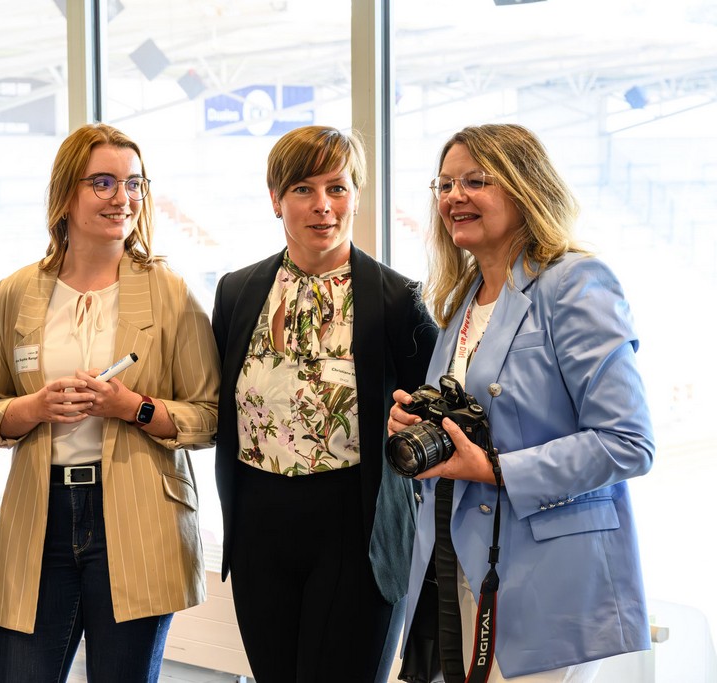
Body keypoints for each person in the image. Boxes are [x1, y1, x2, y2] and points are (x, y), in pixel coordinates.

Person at [389, 123, 654, 682]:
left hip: (543, 580)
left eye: (475, 181)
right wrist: (416, 423)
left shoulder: (574, 282)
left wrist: (495, 469)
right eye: (444, 184)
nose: (454, 196)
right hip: (457, 566)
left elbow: (628, 442)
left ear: (524, 186)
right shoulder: (463, 298)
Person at [0, 122, 220, 682]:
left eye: (134, 183)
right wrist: (33, 408)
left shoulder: (170, 292)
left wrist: (134, 407)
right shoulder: (15, 293)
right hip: (40, 517)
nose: (121, 197)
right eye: (103, 182)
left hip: (139, 516)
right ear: (65, 194)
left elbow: (210, 416)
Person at [211, 125, 437, 682]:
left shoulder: (399, 300)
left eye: (337, 187)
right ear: (275, 199)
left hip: (354, 526)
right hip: (258, 525)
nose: (322, 205)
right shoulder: (237, 291)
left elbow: (436, 409)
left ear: (356, 195)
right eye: (303, 189)